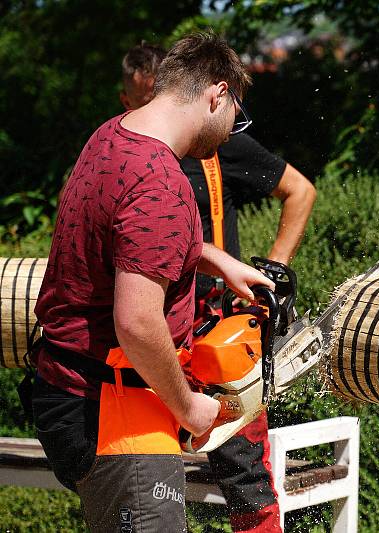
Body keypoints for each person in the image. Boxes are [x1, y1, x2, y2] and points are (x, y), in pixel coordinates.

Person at [31, 32, 275, 532]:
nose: (232, 131)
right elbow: (139, 323)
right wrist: (187, 408)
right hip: (116, 413)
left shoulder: (113, 135)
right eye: (236, 115)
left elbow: (123, 236)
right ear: (217, 94)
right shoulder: (161, 180)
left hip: (68, 388)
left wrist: (214, 259)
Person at [119, 43, 316, 532]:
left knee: (246, 473)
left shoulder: (219, 143)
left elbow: (300, 190)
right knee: (142, 480)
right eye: (136, 102)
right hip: (142, 340)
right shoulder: (125, 150)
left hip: (212, 330)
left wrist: (273, 267)